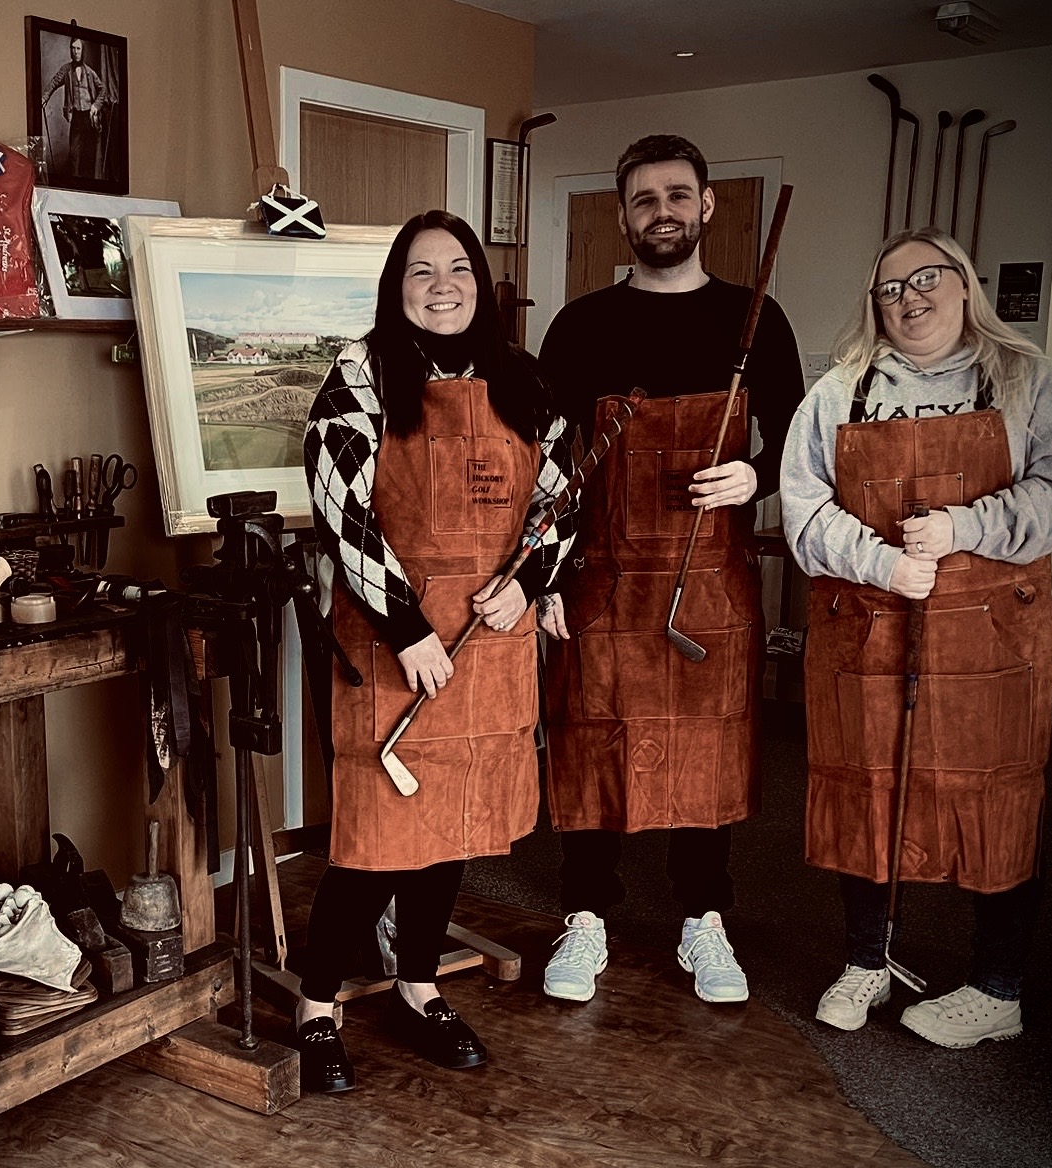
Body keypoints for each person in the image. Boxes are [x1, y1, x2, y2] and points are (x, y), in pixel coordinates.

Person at [781, 228, 1052, 1047]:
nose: (908, 297)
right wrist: (879, 563)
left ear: (963, 286)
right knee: (865, 790)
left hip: (992, 635)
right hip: (869, 628)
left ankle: (996, 988)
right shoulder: (838, 392)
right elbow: (802, 509)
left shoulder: (1028, 382)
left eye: (926, 279)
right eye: (889, 287)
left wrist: (963, 524)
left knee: (997, 801)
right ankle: (865, 960)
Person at [298, 210, 580, 1092]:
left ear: (479, 282)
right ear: (396, 287)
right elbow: (340, 510)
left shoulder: (522, 380)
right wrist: (407, 628)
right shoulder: (359, 376)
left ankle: (417, 986)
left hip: (490, 640)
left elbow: (562, 498)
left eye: (456, 268)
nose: (442, 285)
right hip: (394, 642)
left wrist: (528, 583)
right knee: (374, 835)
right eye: (420, 272)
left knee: (450, 827)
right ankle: (315, 1007)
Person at [536, 134, 804, 1005]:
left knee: (708, 747)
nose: (662, 210)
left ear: (706, 206)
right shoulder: (581, 325)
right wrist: (542, 578)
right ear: (622, 214)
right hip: (603, 573)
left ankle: (704, 920)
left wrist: (755, 474)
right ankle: (585, 916)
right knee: (590, 740)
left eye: (677, 195)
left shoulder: (756, 318)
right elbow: (542, 460)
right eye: (644, 198)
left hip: (712, 576)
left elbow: (800, 441)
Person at [43, 37, 106, 178]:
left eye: (78, 48)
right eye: (73, 48)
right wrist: (44, 98)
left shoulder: (90, 72)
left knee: (89, 154)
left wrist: (96, 105)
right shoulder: (66, 70)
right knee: (74, 154)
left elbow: (103, 90)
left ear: (82, 51)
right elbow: (54, 83)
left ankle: (89, 187)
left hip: (90, 117)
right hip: (77, 116)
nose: (75, 51)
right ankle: (75, 183)